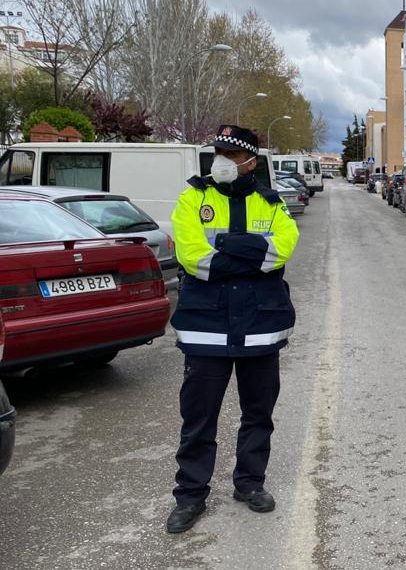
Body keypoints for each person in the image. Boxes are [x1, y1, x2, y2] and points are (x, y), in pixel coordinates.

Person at [165, 125, 300, 533]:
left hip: (260, 328)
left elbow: (282, 251)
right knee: (198, 419)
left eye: (231, 154)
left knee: (258, 414)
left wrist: (223, 246)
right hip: (206, 330)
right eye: (217, 152)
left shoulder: (272, 203)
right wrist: (247, 252)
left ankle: (249, 483)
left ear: (250, 163)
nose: (221, 161)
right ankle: (190, 496)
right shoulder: (193, 198)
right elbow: (192, 258)